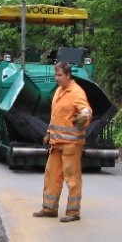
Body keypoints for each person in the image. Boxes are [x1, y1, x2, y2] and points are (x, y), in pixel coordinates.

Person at [33, 62, 92, 223]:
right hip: (56, 143)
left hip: (71, 145)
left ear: (67, 75)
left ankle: (73, 212)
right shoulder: (59, 91)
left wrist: (84, 117)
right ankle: (49, 209)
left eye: (59, 75)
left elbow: (86, 109)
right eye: (56, 75)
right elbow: (57, 117)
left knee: (72, 178)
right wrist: (48, 133)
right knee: (51, 176)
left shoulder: (76, 92)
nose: (56, 78)